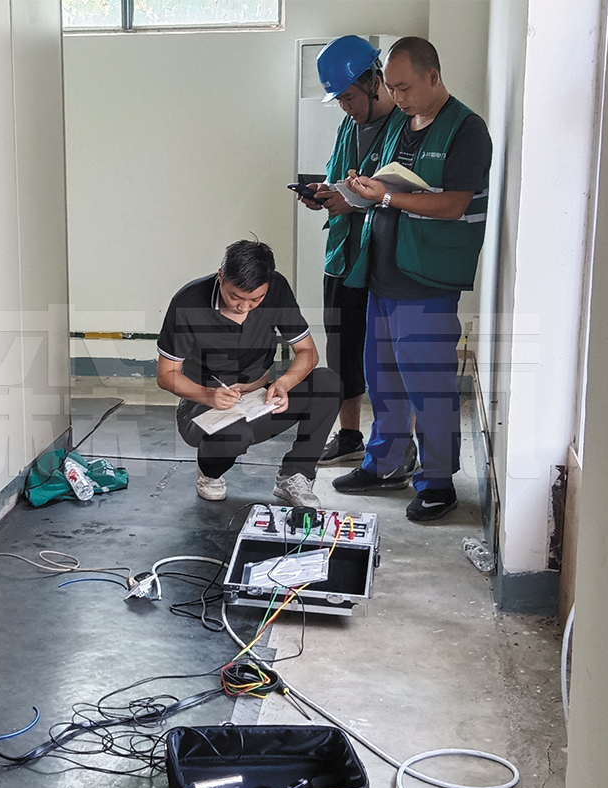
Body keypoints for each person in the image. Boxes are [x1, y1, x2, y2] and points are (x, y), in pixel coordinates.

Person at [331, 37, 492, 522]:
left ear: (433, 77)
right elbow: (386, 184)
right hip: (383, 273)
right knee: (383, 379)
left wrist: (386, 197)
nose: (396, 98)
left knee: (429, 385)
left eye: (404, 88)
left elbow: (454, 204)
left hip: (427, 279)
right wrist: (359, 190)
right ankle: (384, 464)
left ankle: (438, 482)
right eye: (391, 88)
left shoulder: (465, 129)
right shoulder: (401, 124)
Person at [156, 239, 341, 508]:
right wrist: (208, 395)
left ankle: (295, 475)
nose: (244, 307)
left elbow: (308, 352)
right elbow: (166, 374)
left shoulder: (276, 288)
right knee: (235, 433)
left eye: (256, 299)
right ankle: (209, 472)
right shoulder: (189, 301)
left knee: (327, 382)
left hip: (259, 401)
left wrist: (284, 384)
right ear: (221, 276)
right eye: (235, 297)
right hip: (202, 406)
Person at [297, 35, 408, 469]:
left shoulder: (403, 125)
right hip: (342, 255)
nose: (345, 107)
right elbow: (339, 177)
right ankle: (349, 436)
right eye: (339, 100)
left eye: (348, 97)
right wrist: (323, 193)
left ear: (373, 81)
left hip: (384, 258)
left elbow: (404, 191)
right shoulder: (349, 126)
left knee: (386, 357)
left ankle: (397, 443)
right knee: (343, 348)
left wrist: (356, 203)